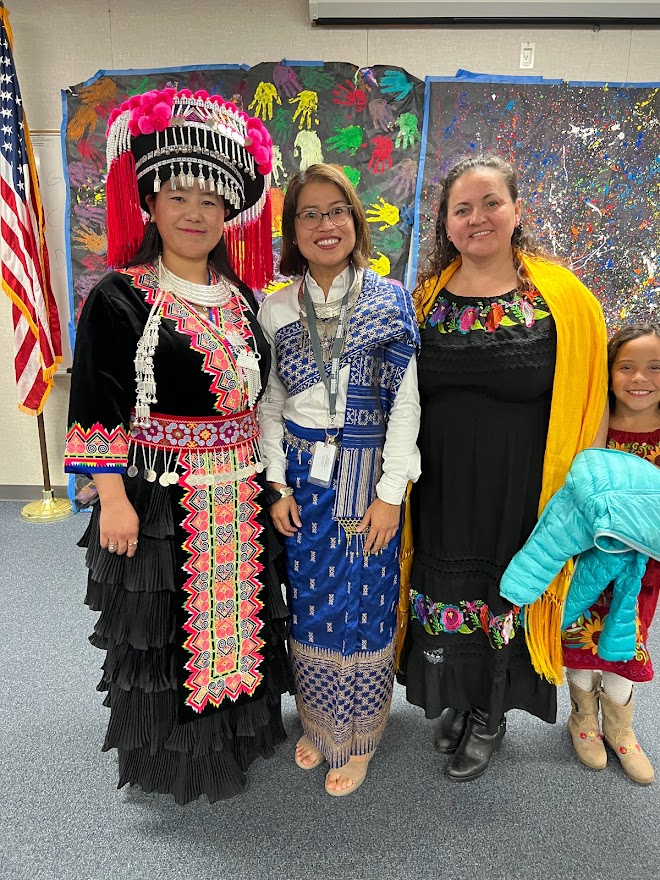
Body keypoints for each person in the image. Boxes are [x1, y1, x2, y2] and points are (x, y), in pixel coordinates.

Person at [64, 86, 292, 804]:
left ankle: (236, 742)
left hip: (242, 489)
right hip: (159, 495)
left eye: (210, 201)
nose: (195, 214)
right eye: (179, 197)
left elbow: (260, 401)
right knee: (167, 635)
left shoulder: (242, 297)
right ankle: (174, 764)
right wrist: (111, 502)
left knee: (241, 619)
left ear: (228, 213)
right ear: (152, 206)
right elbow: (98, 405)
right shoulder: (120, 296)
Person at [402, 154, 608, 782]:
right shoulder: (425, 299)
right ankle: (458, 700)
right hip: (440, 488)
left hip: (523, 488)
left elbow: (593, 399)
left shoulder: (565, 299)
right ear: (446, 223)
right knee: (446, 595)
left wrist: (581, 493)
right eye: (462, 208)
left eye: (491, 203)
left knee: (506, 592)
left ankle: (490, 714)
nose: (477, 218)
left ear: (518, 211)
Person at [258, 163, 420, 796]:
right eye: (309, 214)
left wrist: (390, 495)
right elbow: (269, 402)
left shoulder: (388, 299)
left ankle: (361, 737)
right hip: (302, 474)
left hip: (369, 475)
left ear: (355, 220)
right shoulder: (275, 307)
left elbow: (405, 406)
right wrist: (278, 484)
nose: (325, 225)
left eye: (336, 212)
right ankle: (321, 725)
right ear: (293, 229)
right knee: (314, 602)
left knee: (368, 604)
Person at [562, 322, 660, 784]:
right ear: (608, 372)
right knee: (579, 636)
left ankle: (621, 729)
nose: (640, 379)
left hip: (643, 569)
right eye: (627, 367)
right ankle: (582, 719)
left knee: (625, 641)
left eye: (654, 368)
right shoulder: (594, 423)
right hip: (591, 561)